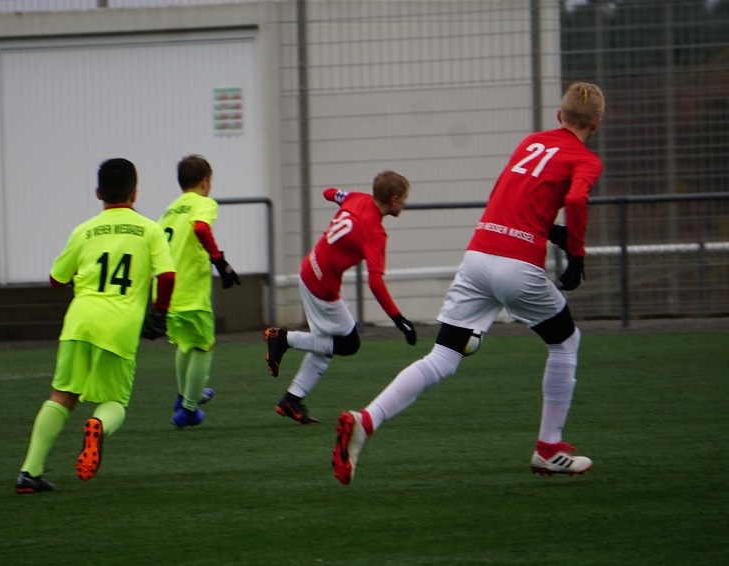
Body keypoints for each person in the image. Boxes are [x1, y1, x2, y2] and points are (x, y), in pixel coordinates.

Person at [331, 82, 605, 485]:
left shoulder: (531, 143)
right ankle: (548, 449)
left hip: (478, 255)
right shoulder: (585, 159)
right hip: (518, 266)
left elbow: (509, 195)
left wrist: (552, 232)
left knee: (441, 358)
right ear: (596, 123)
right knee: (565, 342)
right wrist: (576, 253)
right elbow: (576, 200)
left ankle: (366, 420)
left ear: (559, 116)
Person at [15, 158, 176, 494]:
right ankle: (97, 427)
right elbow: (167, 275)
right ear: (135, 192)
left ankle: (29, 472)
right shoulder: (149, 230)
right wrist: (160, 313)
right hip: (119, 325)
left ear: (98, 193)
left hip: (79, 321)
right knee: (115, 401)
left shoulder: (84, 230)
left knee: (62, 394)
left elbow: (56, 279)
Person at [264, 170, 417, 425]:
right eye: (403, 199)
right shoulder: (375, 232)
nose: (404, 203)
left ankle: (291, 400)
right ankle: (283, 338)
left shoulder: (357, 198)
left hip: (311, 268)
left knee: (326, 344)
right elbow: (375, 282)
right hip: (322, 285)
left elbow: (329, 193)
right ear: (393, 200)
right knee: (348, 344)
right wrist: (399, 319)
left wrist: (342, 198)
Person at [157, 154, 240, 428]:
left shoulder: (169, 211)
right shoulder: (204, 203)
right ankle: (189, 410)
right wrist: (219, 261)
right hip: (192, 292)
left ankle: (184, 396)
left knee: (185, 344)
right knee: (205, 346)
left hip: (169, 293)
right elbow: (201, 228)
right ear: (205, 182)